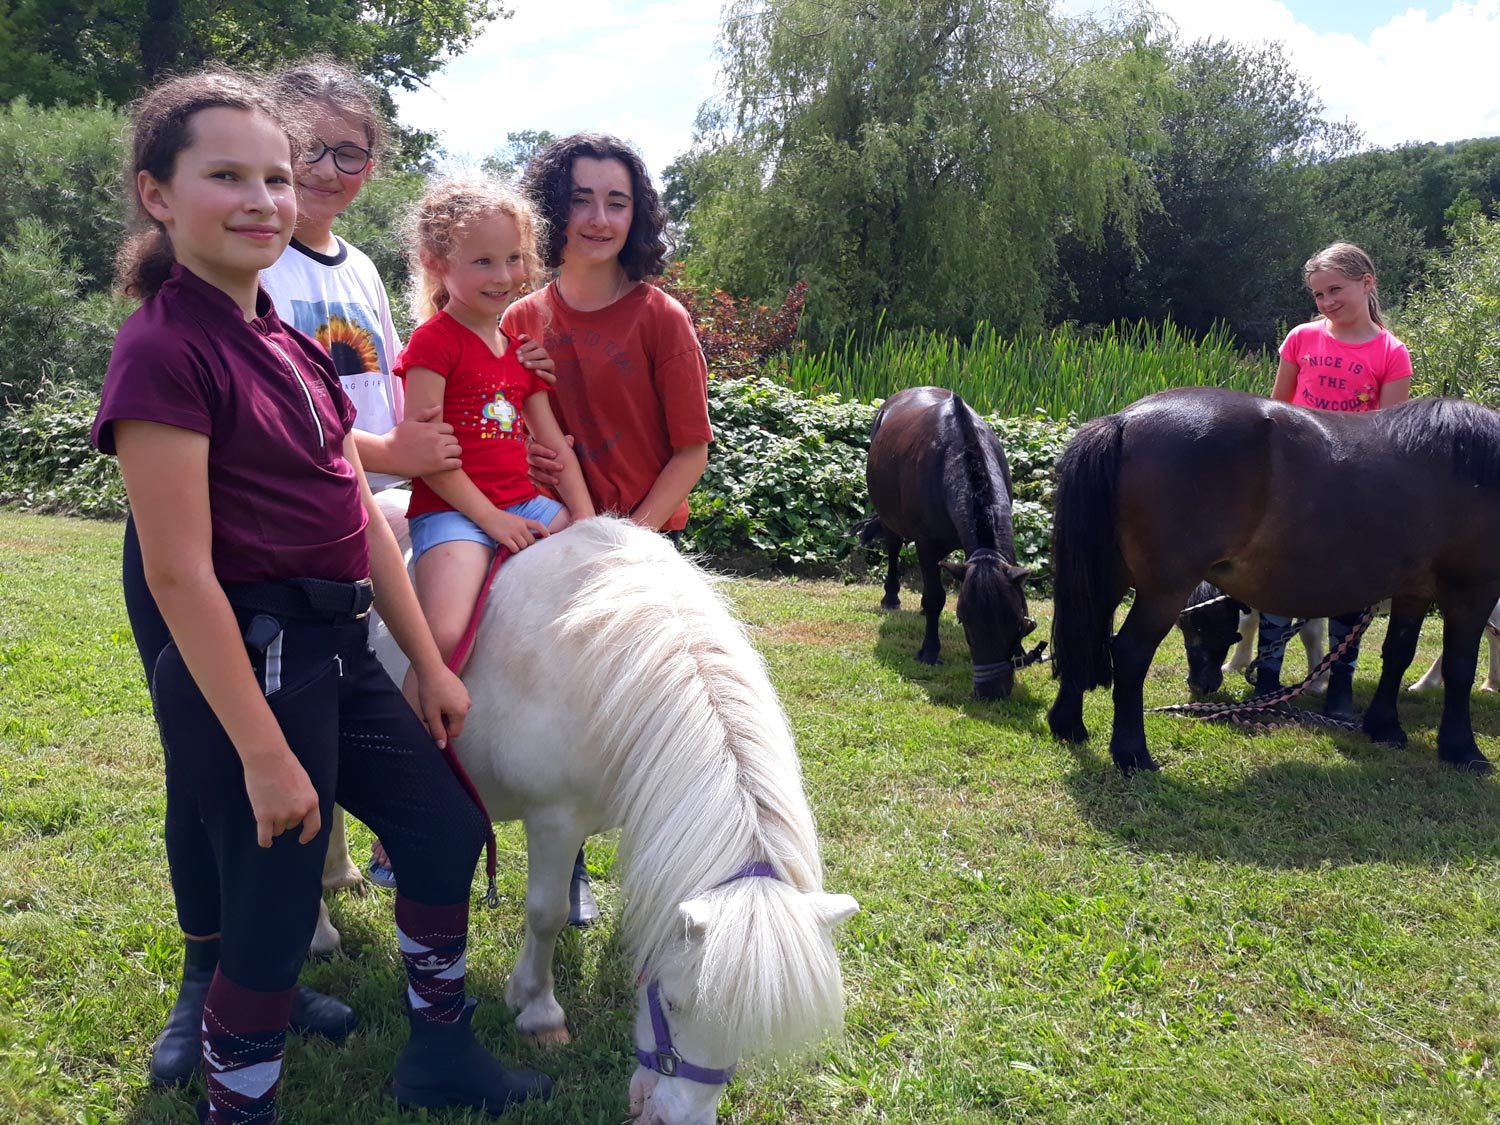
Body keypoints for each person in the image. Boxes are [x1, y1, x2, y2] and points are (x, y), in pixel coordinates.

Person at [94, 67, 551, 1122]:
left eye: (274, 177)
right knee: (268, 918)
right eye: (226, 176)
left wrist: (429, 663)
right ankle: (236, 1107)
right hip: (256, 659)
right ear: (158, 194)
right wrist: (262, 753)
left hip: (338, 649)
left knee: (440, 830)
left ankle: (440, 1055)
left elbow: (355, 510)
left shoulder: (286, 338)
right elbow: (176, 573)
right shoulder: (162, 349)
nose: (263, 199)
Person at [504, 133, 712, 926]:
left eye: (616, 200)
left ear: (638, 213)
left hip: (641, 552)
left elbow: (690, 448)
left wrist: (631, 546)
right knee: (554, 724)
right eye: (581, 198)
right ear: (553, 209)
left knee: (650, 721)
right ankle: (569, 862)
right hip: (540, 546)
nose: (598, 217)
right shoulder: (521, 315)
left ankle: (666, 859)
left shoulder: (661, 319)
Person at [395, 178, 593, 687]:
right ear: (436, 264)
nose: (503, 275)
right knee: (443, 636)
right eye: (482, 262)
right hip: (454, 512)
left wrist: (587, 519)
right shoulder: (432, 344)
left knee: (601, 569)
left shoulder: (519, 350)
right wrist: (491, 518)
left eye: (513, 258)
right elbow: (427, 455)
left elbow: (552, 443)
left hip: (526, 503)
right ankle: (411, 742)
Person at [1254, 241, 1413, 721]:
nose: (1325, 303)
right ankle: (1267, 682)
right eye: (1318, 295)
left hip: (1353, 489)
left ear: (1367, 283)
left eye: (1334, 290)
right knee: (1278, 577)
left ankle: (1340, 684)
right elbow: (1274, 412)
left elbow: (1389, 434)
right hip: (1296, 484)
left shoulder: (1392, 353)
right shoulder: (1301, 338)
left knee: (1350, 584)